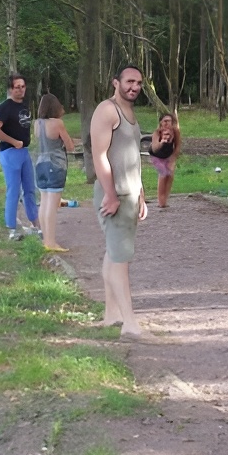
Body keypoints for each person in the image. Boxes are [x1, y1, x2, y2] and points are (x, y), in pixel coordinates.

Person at [89, 64, 149, 340]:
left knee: (114, 254)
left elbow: (131, 157)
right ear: (116, 82)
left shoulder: (129, 113)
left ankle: (111, 314)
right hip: (114, 197)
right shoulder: (107, 110)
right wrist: (111, 195)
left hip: (129, 195)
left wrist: (141, 193)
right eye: (129, 81)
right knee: (121, 259)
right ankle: (130, 323)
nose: (134, 86)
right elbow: (99, 156)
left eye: (138, 82)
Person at [0, 74, 41, 242]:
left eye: (23, 86)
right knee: (14, 191)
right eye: (17, 87)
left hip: (24, 152)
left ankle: (36, 224)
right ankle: (12, 229)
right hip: (10, 152)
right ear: (11, 89)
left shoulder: (24, 106)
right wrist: (13, 141)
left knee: (30, 189)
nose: (21, 89)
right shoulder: (5, 107)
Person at [34, 93, 76, 252]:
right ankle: (51, 243)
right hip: (55, 165)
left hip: (40, 164)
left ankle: (46, 239)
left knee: (44, 202)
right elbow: (70, 146)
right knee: (52, 205)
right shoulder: (58, 123)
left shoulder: (37, 124)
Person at [149, 112, 182, 208]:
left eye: (169, 121)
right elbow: (155, 148)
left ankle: (165, 198)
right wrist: (161, 142)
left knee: (170, 175)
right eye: (165, 121)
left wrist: (173, 159)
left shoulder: (175, 132)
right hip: (157, 156)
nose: (167, 123)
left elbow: (178, 146)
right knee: (163, 174)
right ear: (161, 123)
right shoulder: (157, 133)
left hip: (168, 155)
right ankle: (160, 201)